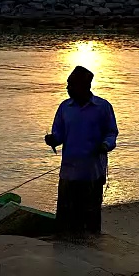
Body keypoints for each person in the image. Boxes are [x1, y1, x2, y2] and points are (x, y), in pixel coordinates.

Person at [44, 66, 118, 236]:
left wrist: (105, 145)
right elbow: (59, 134)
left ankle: (92, 249)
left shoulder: (103, 107)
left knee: (90, 216)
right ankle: (65, 247)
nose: (67, 88)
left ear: (84, 86)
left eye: (71, 85)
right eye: (67, 84)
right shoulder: (65, 107)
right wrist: (53, 140)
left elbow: (112, 133)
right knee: (65, 215)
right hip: (68, 172)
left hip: (92, 172)